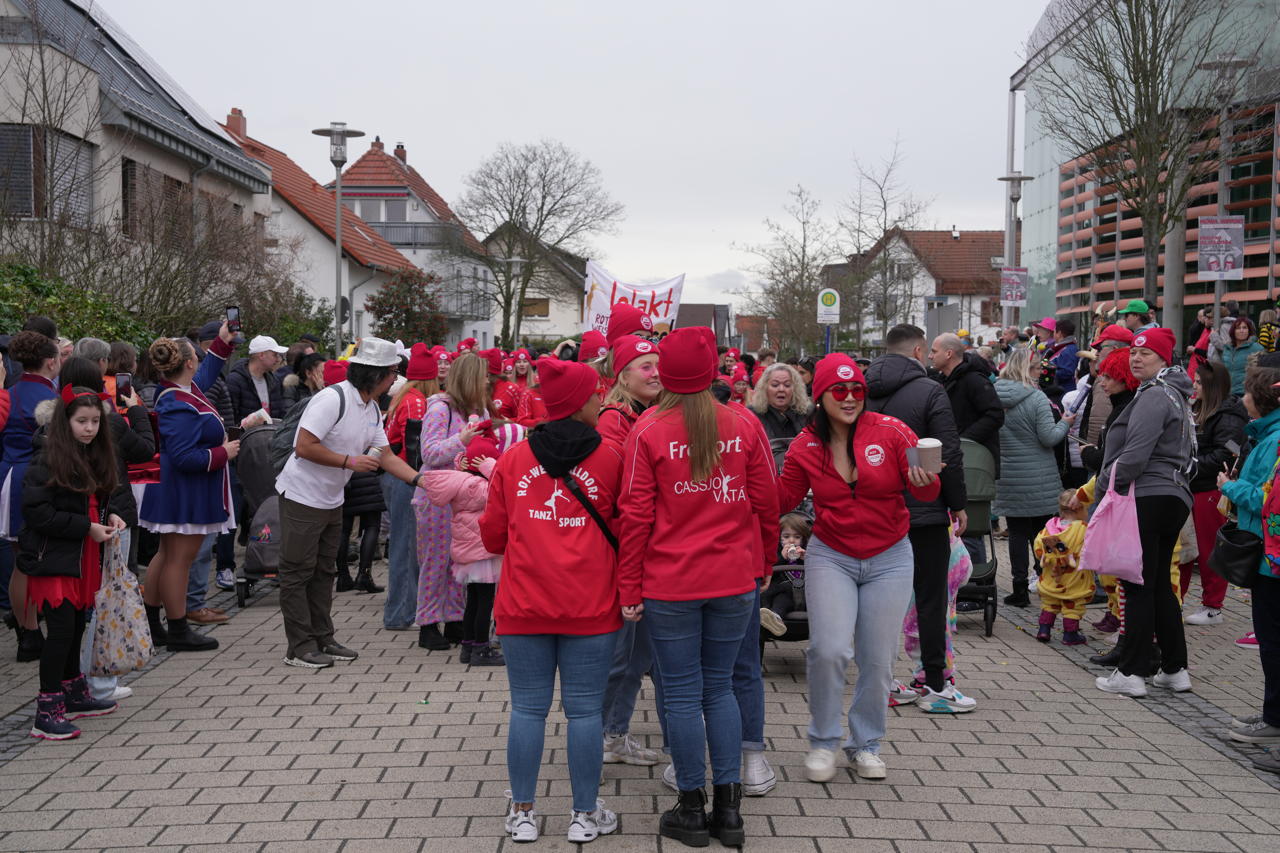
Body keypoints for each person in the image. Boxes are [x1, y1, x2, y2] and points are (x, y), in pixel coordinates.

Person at [617, 326, 778, 848]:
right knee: (721, 687)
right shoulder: (744, 422)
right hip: (734, 578)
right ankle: (729, 812)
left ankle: (692, 808)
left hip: (671, 583)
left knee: (683, 693)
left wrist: (629, 586)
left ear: (664, 372)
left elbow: (634, 515)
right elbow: (766, 502)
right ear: (712, 371)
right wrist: (766, 560)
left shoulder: (648, 430)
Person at [480, 356, 625, 843]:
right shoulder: (611, 457)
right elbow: (626, 528)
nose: (600, 397)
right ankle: (583, 815)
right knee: (585, 712)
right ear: (581, 401)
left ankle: (522, 814)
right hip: (591, 604)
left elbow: (493, 537)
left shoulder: (513, 460)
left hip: (523, 603)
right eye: (594, 393)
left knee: (527, 709)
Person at [778, 353, 940, 785]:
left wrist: (929, 482)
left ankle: (866, 744)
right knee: (829, 650)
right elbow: (779, 500)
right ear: (819, 397)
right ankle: (823, 741)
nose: (850, 399)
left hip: (890, 555)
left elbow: (925, 493)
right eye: (839, 390)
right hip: (831, 554)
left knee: (877, 658)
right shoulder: (805, 445)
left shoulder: (891, 431)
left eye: (857, 391)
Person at [274, 337, 431, 669]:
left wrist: (419, 480)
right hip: (303, 496)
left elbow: (385, 455)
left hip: (331, 499)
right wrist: (349, 462)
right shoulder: (332, 399)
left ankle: (323, 638)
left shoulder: (371, 407)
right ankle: (298, 647)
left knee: (324, 571)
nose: (395, 379)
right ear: (375, 375)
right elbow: (303, 446)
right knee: (298, 572)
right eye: (392, 373)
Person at [864, 325, 970, 710]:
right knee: (930, 597)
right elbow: (948, 452)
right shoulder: (929, 390)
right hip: (923, 512)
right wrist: (957, 503)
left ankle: (883, 682)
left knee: (878, 599)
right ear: (921, 350)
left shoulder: (859, 391)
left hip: (875, 511)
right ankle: (936, 686)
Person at [19, 386, 132, 739]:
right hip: (54, 556)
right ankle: (46, 710)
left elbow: (101, 498)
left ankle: (71, 692)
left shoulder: (92, 454)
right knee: (62, 631)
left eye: (95, 421)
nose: (89, 428)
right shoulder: (46, 458)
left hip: (82, 555)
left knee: (77, 626)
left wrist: (111, 515)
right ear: (64, 421)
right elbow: (37, 513)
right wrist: (88, 527)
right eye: (81, 421)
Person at [1092, 328, 1196, 698]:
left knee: (1136, 585)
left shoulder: (1154, 395)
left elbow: (1134, 455)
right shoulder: (1175, 393)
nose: (1137, 359)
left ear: (1164, 360)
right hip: (1172, 495)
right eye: (1134, 354)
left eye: (1146, 354)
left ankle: (1132, 672)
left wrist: (1105, 489)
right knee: (1156, 586)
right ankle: (1174, 668)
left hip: (1148, 495)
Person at [138, 328, 238, 652]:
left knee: (167, 555)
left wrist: (223, 339)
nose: (201, 361)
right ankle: (178, 628)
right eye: (198, 356)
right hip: (183, 489)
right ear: (189, 363)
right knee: (179, 559)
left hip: (179, 488)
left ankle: (154, 624)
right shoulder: (178, 402)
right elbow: (183, 457)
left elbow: (208, 371)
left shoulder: (184, 389)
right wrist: (224, 452)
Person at [594, 334, 665, 767]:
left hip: (644, 550)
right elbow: (619, 494)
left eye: (658, 363)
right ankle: (603, 737)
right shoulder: (613, 420)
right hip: (624, 552)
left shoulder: (642, 411)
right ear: (623, 374)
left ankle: (614, 734)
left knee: (638, 654)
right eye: (645, 365)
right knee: (622, 654)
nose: (655, 371)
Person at [415, 351, 490, 650]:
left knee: (461, 558)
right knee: (435, 562)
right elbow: (429, 453)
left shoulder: (481, 411)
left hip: (466, 498)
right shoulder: (440, 410)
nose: (488, 381)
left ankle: (456, 621)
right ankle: (428, 624)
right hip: (436, 497)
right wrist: (463, 440)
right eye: (483, 375)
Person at [992, 347, 1073, 607]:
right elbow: (1048, 437)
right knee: (1043, 534)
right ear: (1027, 369)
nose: (1042, 372)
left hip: (1009, 476)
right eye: (1038, 367)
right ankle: (1045, 582)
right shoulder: (1037, 398)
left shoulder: (995, 396)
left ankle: (1018, 590)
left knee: (1016, 532)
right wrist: (1065, 423)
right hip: (1039, 477)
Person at [1, 331, 61, 661]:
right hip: (40, 477)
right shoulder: (50, 396)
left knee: (19, 561)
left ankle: (27, 631)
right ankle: (33, 631)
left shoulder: (8, 393)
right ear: (51, 361)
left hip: (9, 476)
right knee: (34, 558)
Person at [424, 434, 505, 666]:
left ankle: (468, 647)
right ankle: (481, 649)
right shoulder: (479, 487)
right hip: (482, 553)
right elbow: (500, 491)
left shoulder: (461, 481)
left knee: (473, 602)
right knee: (485, 604)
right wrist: (492, 468)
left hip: (468, 553)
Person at [1184, 362, 1246, 626]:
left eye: (1198, 382)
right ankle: (1176, 597)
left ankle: (1213, 607)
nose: (1193, 386)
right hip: (1191, 485)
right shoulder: (1197, 409)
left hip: (1210, 488)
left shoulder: (1230, 415)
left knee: (1210, 548)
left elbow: (1226, 453)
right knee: (1184, 549)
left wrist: (1191, 464)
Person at [382, 344, 438, 631]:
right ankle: (401, 614)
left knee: (404, 546)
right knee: (406, 548)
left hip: (397, 476)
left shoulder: (405, 396)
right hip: (406, 477)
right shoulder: (416, 401)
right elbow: (415, 448)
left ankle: (402, 611)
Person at [1031, 490, 1092, 644]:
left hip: (1051, 576)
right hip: (1074, 578)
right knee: (1072, 605)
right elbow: (1091, 548)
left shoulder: (1049, 527)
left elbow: (1038, 548)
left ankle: (1044, 630)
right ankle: (1070, 634)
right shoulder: (1083, 529)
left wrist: (1048, 556)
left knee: (1050, 603)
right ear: (1078, 508)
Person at [225, 334, 288, 424]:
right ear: (261, 355)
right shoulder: (235, 380)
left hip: (271, 435)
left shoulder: (275, 381)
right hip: (245, 437)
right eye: (274, 355)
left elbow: (281, 413)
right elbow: (230, 418)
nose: (278, 359)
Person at [1221, 317, 1264, 397]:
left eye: (1245, 328)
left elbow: (1262, 373)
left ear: (1249, 330)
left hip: (1245, 394)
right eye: (1238, 328)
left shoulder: (1257, 348)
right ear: (1233, 331)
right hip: (1226, 393)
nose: (1241, 330)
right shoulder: (1227, 348)